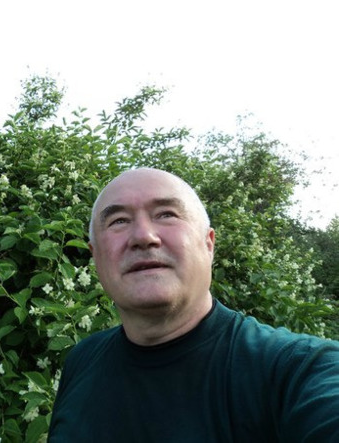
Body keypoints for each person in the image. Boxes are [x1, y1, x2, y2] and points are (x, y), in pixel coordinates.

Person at [48, 167, 339, 442]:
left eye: (166, 214)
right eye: (119, 221)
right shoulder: (82, 360)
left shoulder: (299, 371)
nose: (143, 237)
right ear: (95, 256)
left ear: (208, 245)